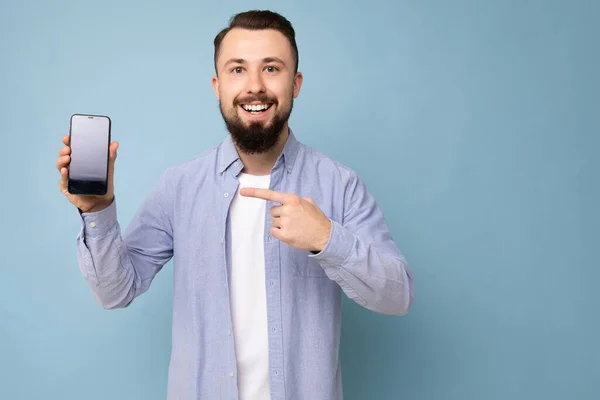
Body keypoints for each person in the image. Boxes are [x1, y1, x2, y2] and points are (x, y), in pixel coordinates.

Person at [56, 9, 413, 400]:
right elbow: (115, 291)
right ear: (217, 86)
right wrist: (97, 210)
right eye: (237, 70)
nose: (254, 86)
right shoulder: (180, 186)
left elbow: (396, 298)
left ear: (296, 84)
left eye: (272, 68)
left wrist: (327, 239)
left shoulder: (339, 185)